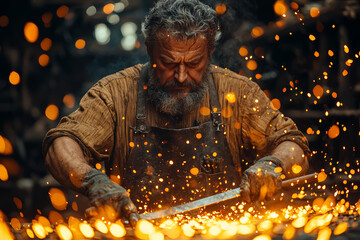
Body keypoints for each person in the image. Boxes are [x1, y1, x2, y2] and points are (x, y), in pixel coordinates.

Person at [43, 0, 310, 225]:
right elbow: (63, 142)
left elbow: (292, 143)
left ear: (210, 52)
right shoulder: (114, 94)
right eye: (169, 63)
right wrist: (93, 182)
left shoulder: (237, 93)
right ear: (149, 50)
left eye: (194, 63)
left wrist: (272, 165)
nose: (181, 76)